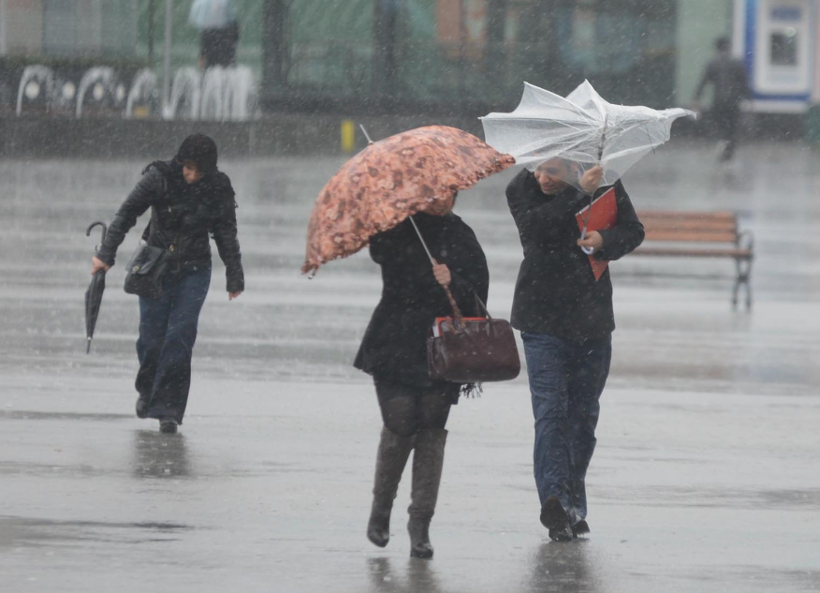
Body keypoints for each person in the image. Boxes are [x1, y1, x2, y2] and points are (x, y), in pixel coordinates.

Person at [506, 159, 644, 541]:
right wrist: (579, 192)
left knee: (582, 419)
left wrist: (606, 242)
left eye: (552, 171)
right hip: (540, 320)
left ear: (571, 162)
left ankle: (572, 505)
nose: (542, 178)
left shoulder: (606, 183)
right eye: (539, 169)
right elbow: (538, 228)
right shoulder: (521, 188)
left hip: (592, 320)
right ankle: (553, 500)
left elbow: (633, 231)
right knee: (550, 412)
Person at [355, 206, 489, 559]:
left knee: (431, 428)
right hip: (394, 338)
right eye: (434, 192)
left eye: (448, 191)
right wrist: (388, 217)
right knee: (400, 421)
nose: (441, 197)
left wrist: (453, 281)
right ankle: (382, 508)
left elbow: (478, 295)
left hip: (442, 345)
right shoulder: (397, 225)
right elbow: (379, 253)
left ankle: (421, 522)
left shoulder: (460, 233)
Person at [90, 134, 244, 434]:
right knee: (152, 339)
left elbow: (226, 231)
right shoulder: (158, 177)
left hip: (195, 270)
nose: (191, 175)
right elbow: (127, 213)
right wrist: (105, 255)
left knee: (180, 337)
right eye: (187, 167)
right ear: (179, 162)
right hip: (154, 267)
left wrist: (234, 274)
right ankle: (148, 389)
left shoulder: (218, 187)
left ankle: (169, 410)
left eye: (198, 170)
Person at [693, 36, 750, 162]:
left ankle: (721, 141)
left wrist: (696, 98)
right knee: (733, 127)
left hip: (718, 101)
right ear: (728, 47)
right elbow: (744, 83)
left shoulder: (712, 63)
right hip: (733, 102)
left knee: (719, 125)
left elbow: (703, 81)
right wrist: (749, 98)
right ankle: (729, 151)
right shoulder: (736, 62)